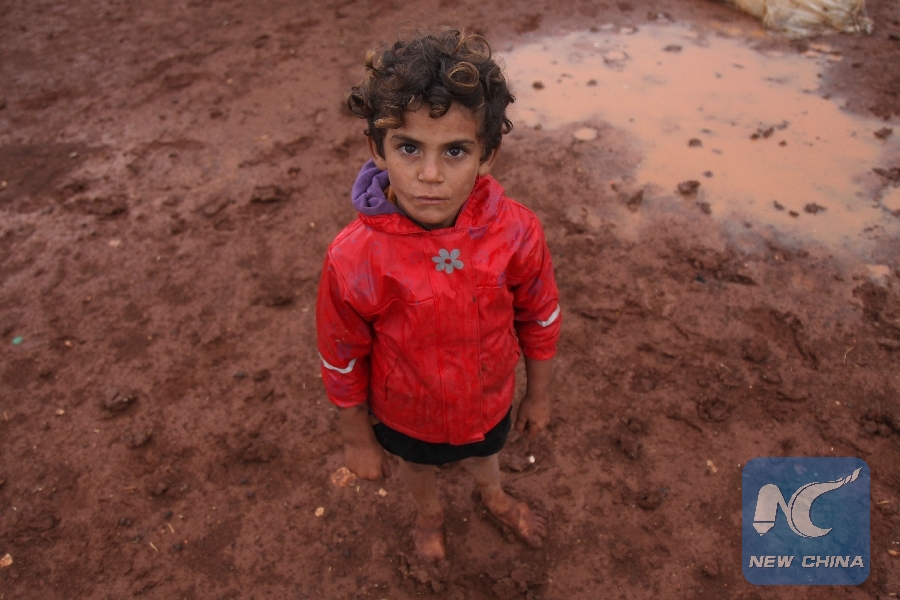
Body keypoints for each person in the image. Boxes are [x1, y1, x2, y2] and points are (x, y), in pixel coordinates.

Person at [316, 29, 561, 563]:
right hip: (406, 412)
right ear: (377, 150)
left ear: (487, 155)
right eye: (409, 148)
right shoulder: (352, 258)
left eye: (455, 150)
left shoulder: (517, 232)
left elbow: (540, 317)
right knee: (418, 465)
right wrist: (357, 438)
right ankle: (428, 513)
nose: (430, 175)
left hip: (489, 399)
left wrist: (538, 395)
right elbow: (340, 354)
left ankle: (493, 494)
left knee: (487, 453)